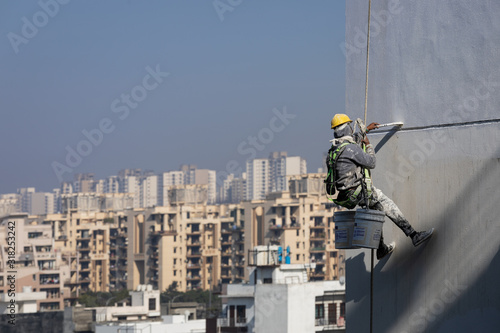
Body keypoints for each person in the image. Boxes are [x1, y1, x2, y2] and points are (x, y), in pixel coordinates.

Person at [325, 114, 434, 259]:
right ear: (347, 128)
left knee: (378, 211)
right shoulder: (351, 149)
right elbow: (371, 162)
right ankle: (414, 235)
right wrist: (368, 144)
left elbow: (351, 145)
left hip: (345, 195)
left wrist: (365, 130)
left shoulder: (334, 151)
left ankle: (381, 248)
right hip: (358, 192)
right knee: (386, 204)